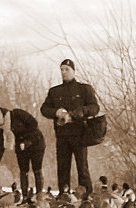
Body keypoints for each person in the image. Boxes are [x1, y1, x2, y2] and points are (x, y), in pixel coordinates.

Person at [40, 58, 99, 195]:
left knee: (82, 168)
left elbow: (94, 107)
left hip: (80, 134)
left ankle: (85, 196)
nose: (64, 72)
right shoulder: (55, 91)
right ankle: (63, 195)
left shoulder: (84, 89)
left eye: (67, 69)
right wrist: (56, 112)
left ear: (73, 71)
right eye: (61, 70)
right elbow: (44, 109)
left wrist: (81, 112)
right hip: (62, 135)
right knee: (62, 168)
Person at [0, 107, 45, 199]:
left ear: (0, 116)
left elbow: (34, 124)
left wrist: (27, 141)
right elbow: (0, 145)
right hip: (21, 148)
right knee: (23, 171)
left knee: (37, 169)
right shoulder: (2, 128)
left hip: (36, 143)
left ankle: (39, 196)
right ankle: (25, 197)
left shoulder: (17, 114)